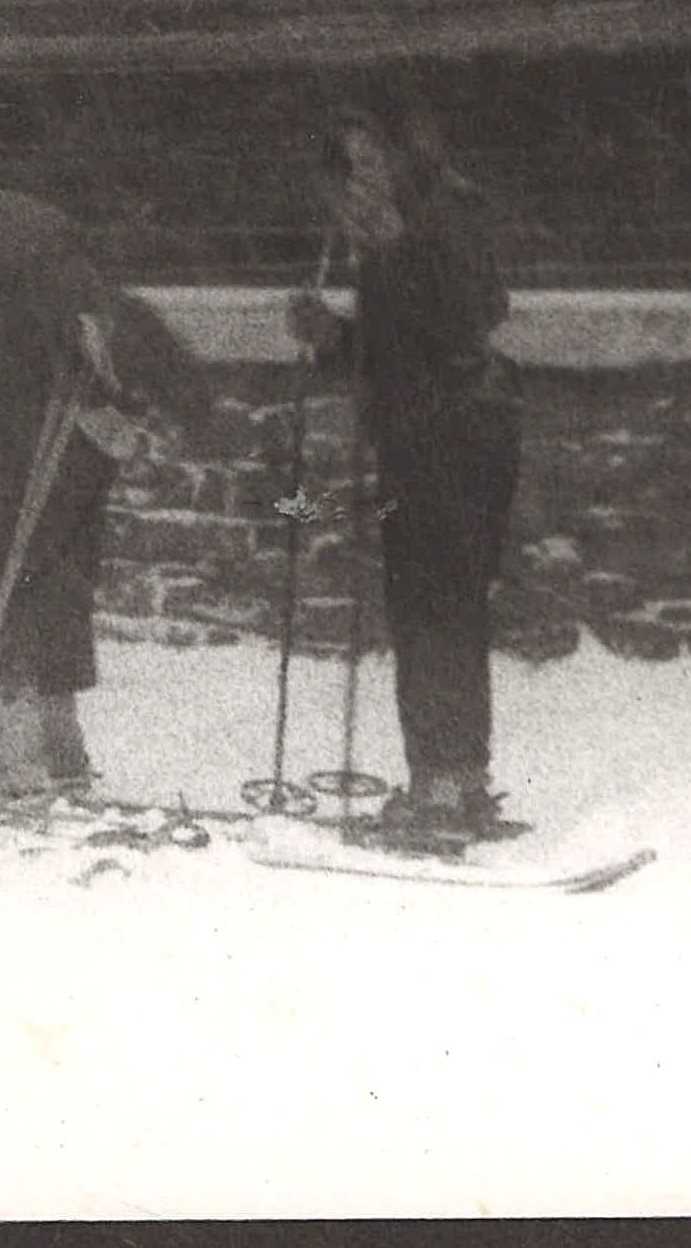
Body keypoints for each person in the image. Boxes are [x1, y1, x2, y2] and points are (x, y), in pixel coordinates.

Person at [0, 186, 212, 803]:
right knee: (59, 579)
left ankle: (19, 760)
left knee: (13, 576)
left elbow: (55, 316)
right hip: (70, 427)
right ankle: (61, 750)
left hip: (55, 418)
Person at [287, 81, 523, 844]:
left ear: (401, 151)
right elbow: (397, 346)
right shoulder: (396, 232)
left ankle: (440, 792)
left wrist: (396, 251)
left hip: (457, 435)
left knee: (435, 609)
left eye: (371, 157)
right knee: (433, 608)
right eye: (349, 165)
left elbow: (468, 322)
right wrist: (334, 339)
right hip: (414, 435)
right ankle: (458, 780)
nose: (361, 177)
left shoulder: (448, 214)